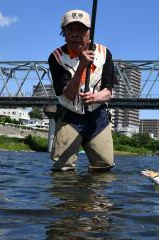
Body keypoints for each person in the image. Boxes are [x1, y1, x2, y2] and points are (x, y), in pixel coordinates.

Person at [48, 9, 116, 172]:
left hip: (97, 116)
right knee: (62, 168)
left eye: (80, 29)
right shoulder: (56, 57)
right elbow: (69, 95)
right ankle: (68, 197)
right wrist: (81, 66)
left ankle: (94, 198)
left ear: (89, 32)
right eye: (70, 29)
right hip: (69, 116)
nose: (75, 34)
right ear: (63, 33)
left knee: (104, 166)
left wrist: (97, 98)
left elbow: (108, 91)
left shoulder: (104, 53)